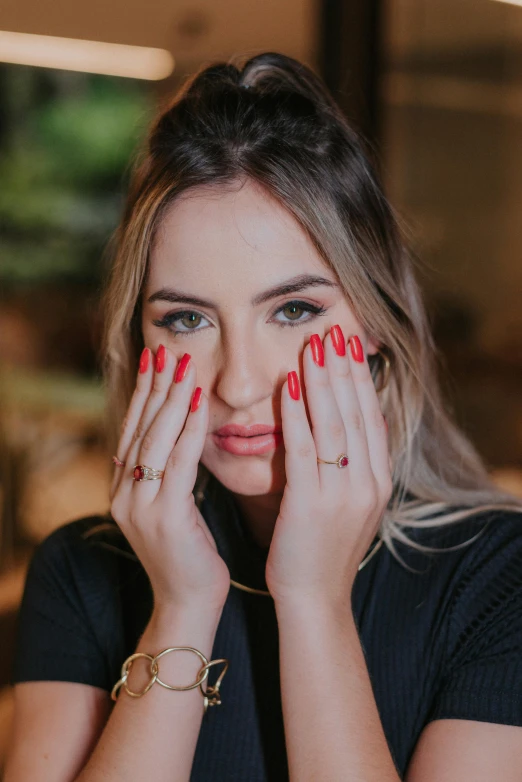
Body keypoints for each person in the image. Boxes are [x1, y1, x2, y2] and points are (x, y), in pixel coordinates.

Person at [4, 51, 522, 782]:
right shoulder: (84, 570)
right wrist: (182, 607)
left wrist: (313, 600)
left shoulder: (501, 579)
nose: (241, 384)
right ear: (137, 337)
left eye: (294, 310)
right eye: (186, 319)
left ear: (374, 322)